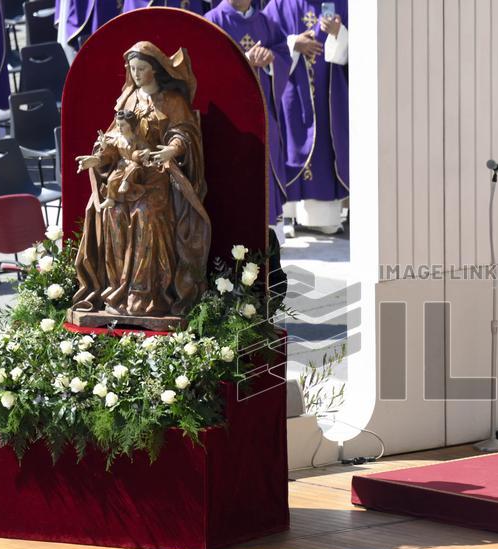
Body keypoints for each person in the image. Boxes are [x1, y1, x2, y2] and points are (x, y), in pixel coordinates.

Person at [73, 42, 211, 320]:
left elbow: (185, 133)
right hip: (127, 175)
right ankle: (117, 289)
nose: (135, 74)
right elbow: (115, 139)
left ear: (155, 70)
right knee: (110, 211)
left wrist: (172, 149)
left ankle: (147, 294)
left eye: (141, 69)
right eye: (132, 69)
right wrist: (97, 160)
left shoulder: (172, 100)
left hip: (159, 177)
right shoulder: (128, 99)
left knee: (146, 214)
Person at [206, 0, 291, 242]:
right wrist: (244, 58)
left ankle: (269, 236)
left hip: (263, 114)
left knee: (264, 167)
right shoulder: (213, 20)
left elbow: (284, 54)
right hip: (228, 120)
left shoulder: (267, 22)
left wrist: (271, 59)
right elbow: (207, 66)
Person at [263, 0, 349, 235]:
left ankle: (325, 217)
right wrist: (293, 44)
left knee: (325, 145)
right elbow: (266, 41)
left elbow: (363, 45)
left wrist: (338, 33)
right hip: (292, 90)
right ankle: (289, 216)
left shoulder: (341, 3)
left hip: (328, 91)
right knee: (290, 143)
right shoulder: (279, 5)